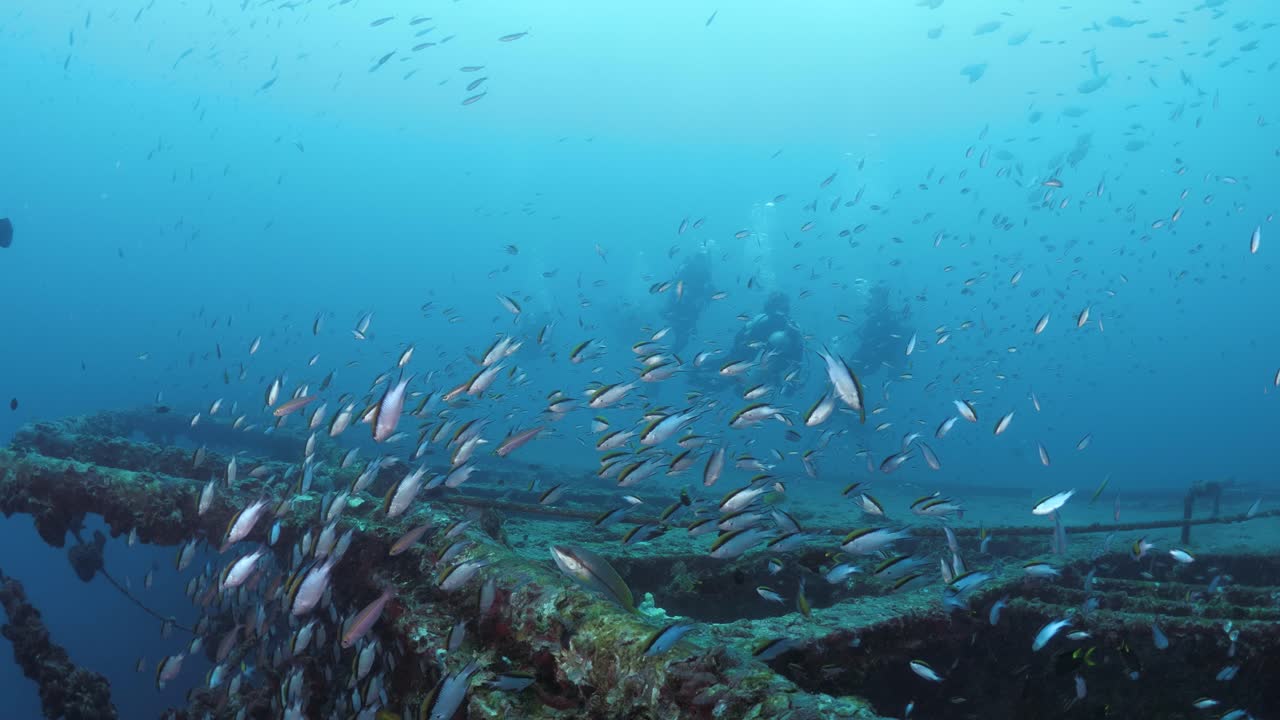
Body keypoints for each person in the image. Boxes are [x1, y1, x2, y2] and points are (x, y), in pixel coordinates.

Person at [729, 291, 807, 396]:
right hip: (757, 368)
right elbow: (798, 354)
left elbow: (798, 352)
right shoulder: (790, 325)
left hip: (759, 369)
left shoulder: (788, 326)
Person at [661, 249, 713, 354]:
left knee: (683, 339)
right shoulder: (686, 270)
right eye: (701, 263)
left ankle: (666, 358)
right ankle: (663, 359)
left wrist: (707, 297)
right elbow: (676, 286)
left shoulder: (705, 272)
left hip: (691, 310)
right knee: (681, 338)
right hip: (679, 307)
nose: (702, 265)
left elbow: (710, 289)